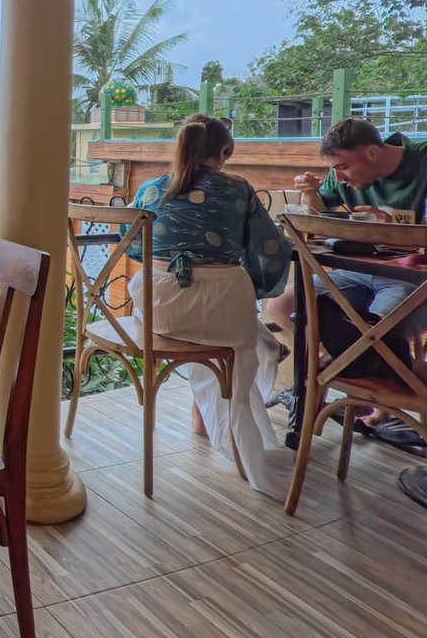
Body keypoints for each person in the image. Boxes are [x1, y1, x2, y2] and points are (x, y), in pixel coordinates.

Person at [127, 115, 293, 495]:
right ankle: (224, 409)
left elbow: (133, 245)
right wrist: (258, 279)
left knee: (220, 324)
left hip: (161, 311)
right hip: (222, 310)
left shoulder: (152, 190)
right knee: (240, 329)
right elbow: (268, 246)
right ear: (224, 151)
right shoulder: (238, 190)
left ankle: (204, 411)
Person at [281, 117, 427, 446]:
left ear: (372, 152)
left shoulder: (422, 161)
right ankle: (335, 366)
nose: (339, 176)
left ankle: (336, 377)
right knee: (283, 305)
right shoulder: (346, 177)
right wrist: (312, 196)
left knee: (375, 329)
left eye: (343, 166)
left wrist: (394, 228)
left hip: (411, 277)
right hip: (360, 271)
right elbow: (325, 217)